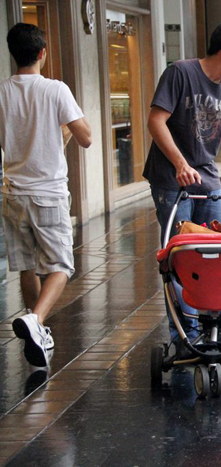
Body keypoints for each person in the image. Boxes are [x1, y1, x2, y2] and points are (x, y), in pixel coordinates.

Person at [144, 22, 221, 351]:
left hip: (207, 177)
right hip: (170, 178)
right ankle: (185, 334)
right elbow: (155, 120)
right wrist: (180, 163)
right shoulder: (179, 73)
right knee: (179, 256)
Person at [1, 23, 92, 367]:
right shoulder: (56, 90)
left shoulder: (2, 92)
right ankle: (36, 320)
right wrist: (65, 129)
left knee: (27, 265)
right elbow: (85, 137)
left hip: (12, 193)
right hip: (48, 194)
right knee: (60, 265)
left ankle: (37, 326)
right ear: (42, 53)